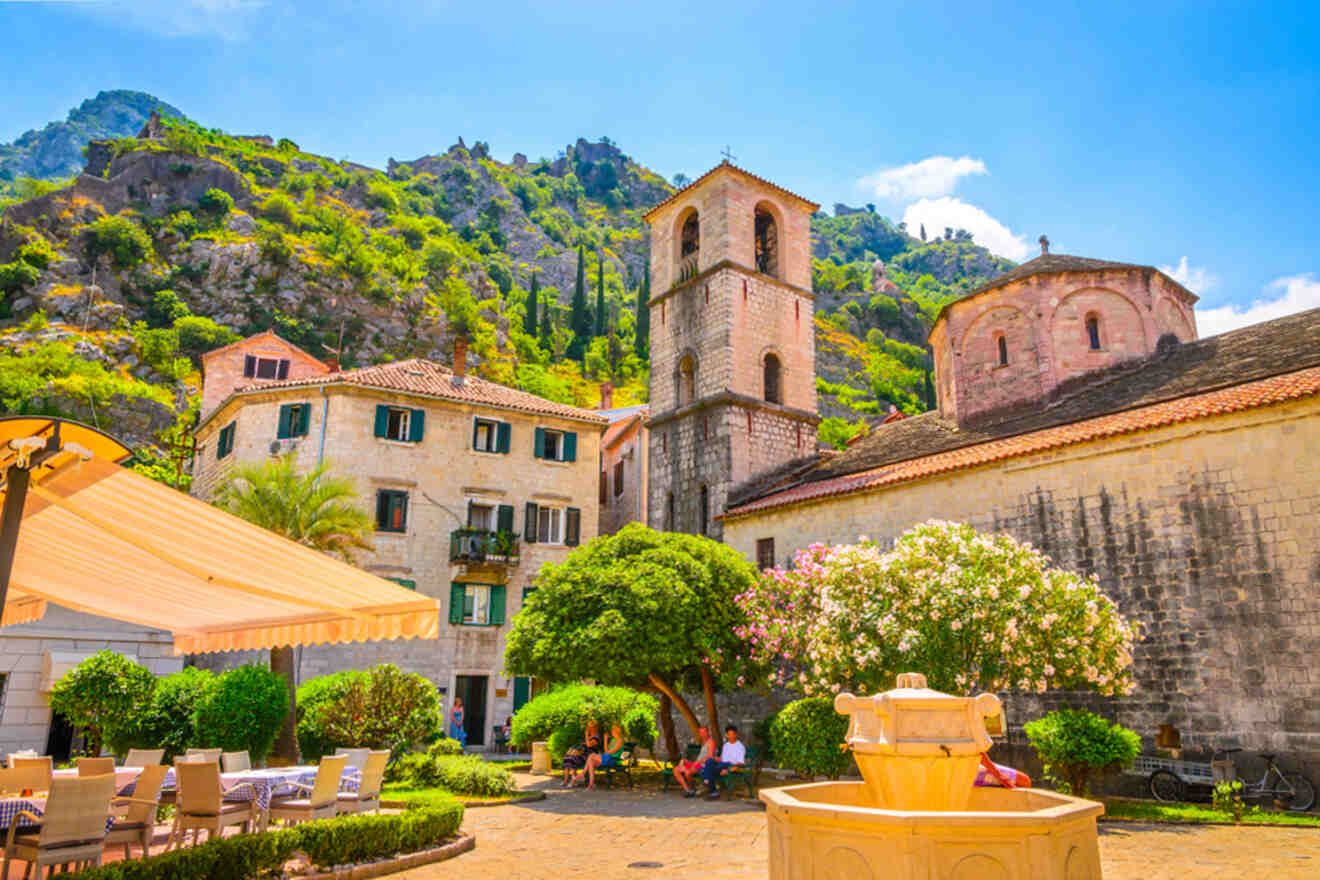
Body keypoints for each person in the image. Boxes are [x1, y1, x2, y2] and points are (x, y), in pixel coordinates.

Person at [702, 724, 747, 799]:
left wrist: (728, 770)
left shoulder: (740, 746)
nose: (731, 736)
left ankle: (710, 786)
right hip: (721, 764)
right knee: (709, 761)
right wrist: (716, 758)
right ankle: (708, 781)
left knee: (709, 770)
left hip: (730, 765)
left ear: (736, 734)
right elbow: (722, 759)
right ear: (726, 735)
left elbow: (740, 763)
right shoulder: (726, 745)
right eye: (729, 734)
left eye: (733, 734)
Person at [673, 726, 715, 797]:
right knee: (676, 769)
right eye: (701, 732)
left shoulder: (711, 742)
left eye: (704, 732)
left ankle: (692, 788)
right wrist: (689, 761)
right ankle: (688, 790)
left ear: (708, 732)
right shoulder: (704, 743)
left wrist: (698, 762)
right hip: (696, 763)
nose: (703, 734)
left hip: (702, 764)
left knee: (687, 773)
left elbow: (710, 756)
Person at [582, 724, 624, 791]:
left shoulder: (620, 741)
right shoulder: (613, 740)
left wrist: (603, 754)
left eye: (612, 730)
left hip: (612, 760)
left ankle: (583, 774)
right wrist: (605, 740)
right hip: (607, 758)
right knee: (591, 762)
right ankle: (591, 784)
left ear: (616, 731)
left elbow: (610, 752)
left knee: (591, 756)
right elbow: (606, 750)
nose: (611, 732)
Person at [561, 719, 600, 787]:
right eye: (588, 727)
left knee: (573, 759)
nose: (589, 729)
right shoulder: (590, 736)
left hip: (589, 756)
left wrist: (586, 735)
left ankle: (573, 781)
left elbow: (588, 745)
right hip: (582, 754)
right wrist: (574, 751)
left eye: (591, 727)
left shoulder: (596, 737)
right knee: (567, 758)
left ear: (595, 727)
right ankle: (565, 780)